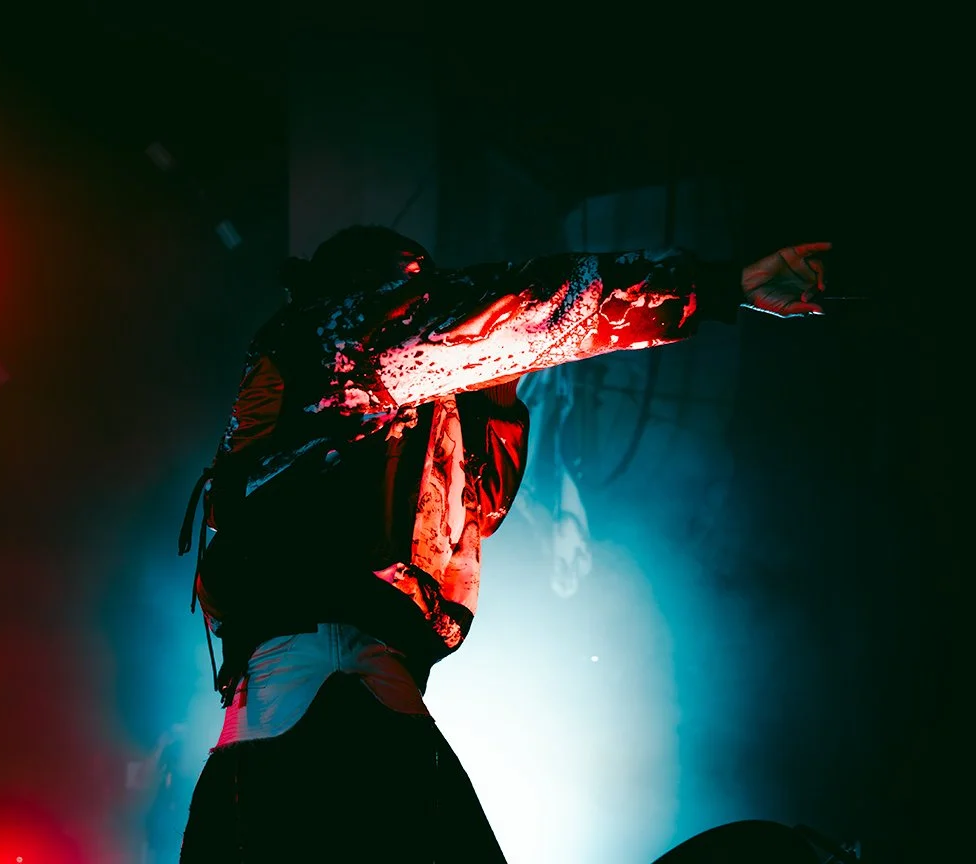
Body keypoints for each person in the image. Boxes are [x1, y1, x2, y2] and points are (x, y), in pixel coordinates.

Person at [175, 225, 830, 862]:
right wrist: (717, 285)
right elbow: (522, 311)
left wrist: (496, 393)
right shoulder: (339, 337)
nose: (429, 297)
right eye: (416, 286)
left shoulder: (385, 400)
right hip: (331, 701)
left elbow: (476, 509)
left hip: (331, 700)